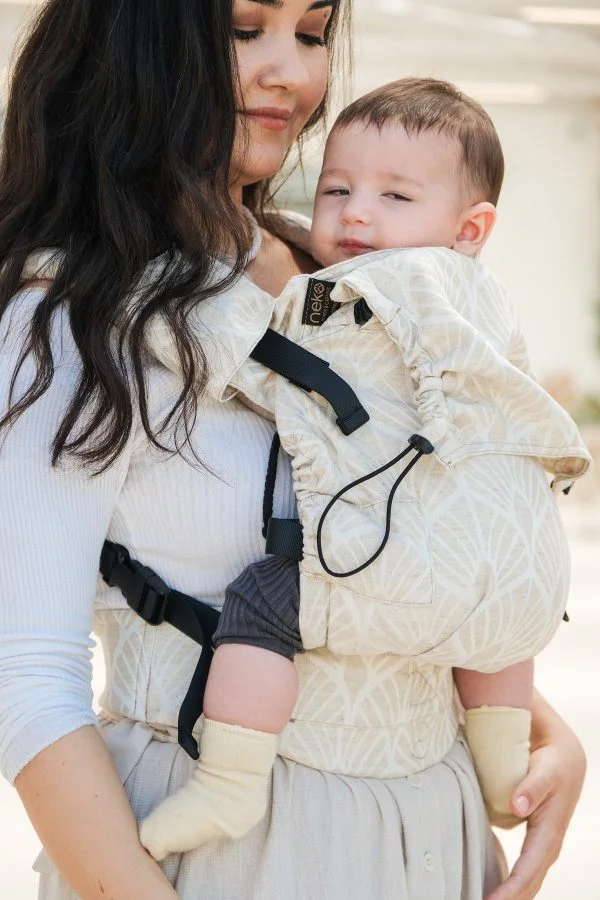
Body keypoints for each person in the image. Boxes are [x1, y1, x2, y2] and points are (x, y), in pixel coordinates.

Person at [0, 2, 585, 899]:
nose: (294, 73)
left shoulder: (351, 280)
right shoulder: (73, 316)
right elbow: (25, 674)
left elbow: (412, 558)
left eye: (313, 33)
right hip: (227, 855)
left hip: (438, 840)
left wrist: (550, 738)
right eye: (243, 29)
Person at [137, 77, 590, 861]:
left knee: (263, 603)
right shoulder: (488, 300)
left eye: (394, 197)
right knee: (491, 618)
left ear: (469, 227)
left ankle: (231, 780)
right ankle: (501, 770)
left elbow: (278, 368)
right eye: (338, 187)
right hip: (518, 573)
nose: (355, 213)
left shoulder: (365, 291)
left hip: (385, 562)